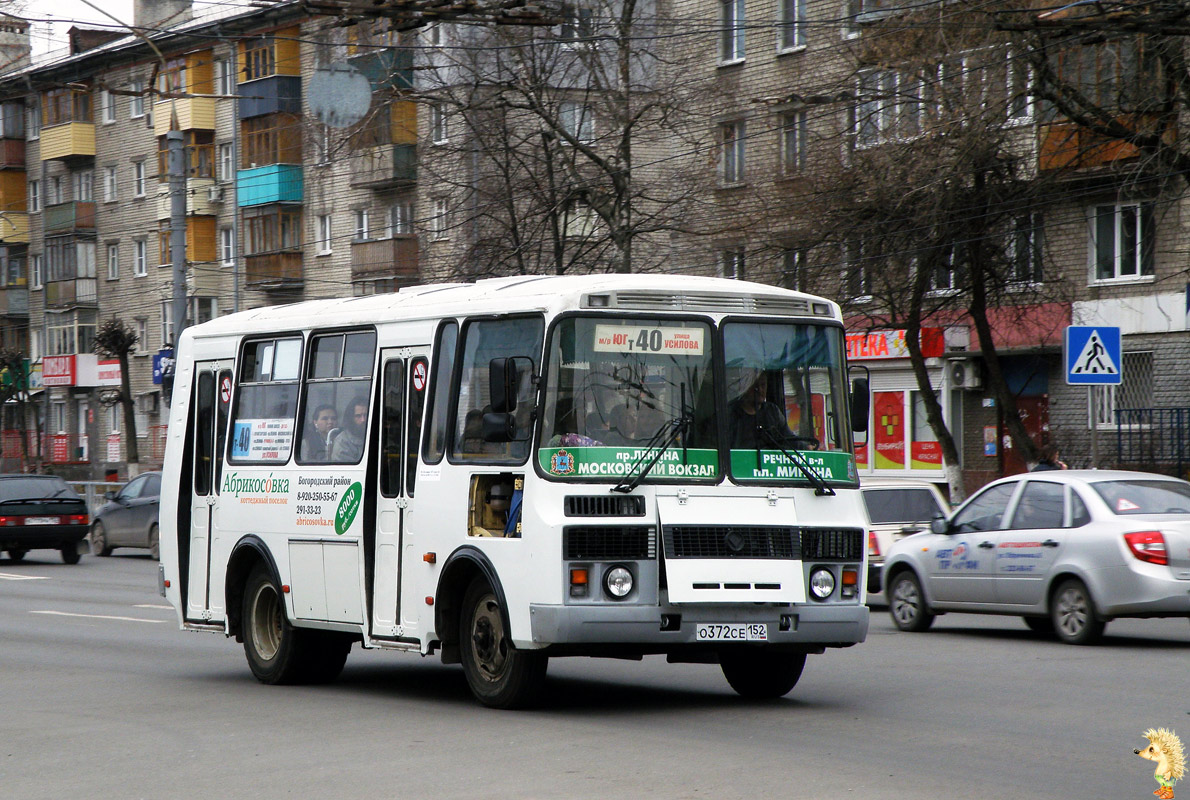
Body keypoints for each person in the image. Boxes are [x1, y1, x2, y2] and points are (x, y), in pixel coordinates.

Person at [726, 371, 817, 450]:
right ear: (745, 387)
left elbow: (787, 439)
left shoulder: (772, 412)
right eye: (755, 386)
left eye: (763, 385)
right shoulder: (730, 414)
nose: (760, 390)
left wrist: (806, 448)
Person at [330, 397, 368, 462]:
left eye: (366, 415)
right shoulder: (342, 441)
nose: (363, 420)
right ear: (351, 418)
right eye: (358, 416)